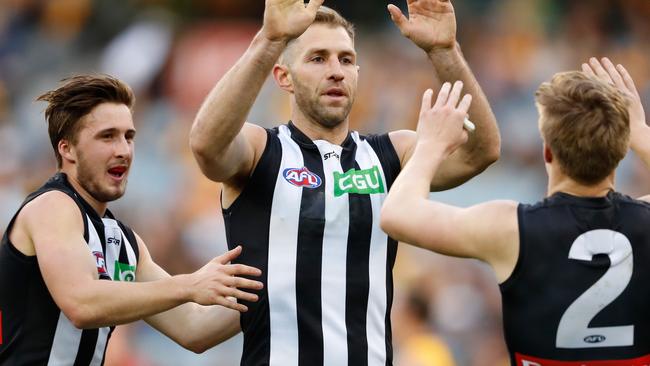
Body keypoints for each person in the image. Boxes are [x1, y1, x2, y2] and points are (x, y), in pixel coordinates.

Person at [189, 0, 500, 364]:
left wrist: (444, 51)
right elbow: (207, 146)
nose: (336, 71)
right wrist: (269, 39)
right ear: (283, 77)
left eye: (346, 59)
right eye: (318, 58)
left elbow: (481, 151)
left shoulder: (390, 155)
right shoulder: (263, 150)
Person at [380, 57, 650, 365]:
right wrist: (639, 131)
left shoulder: (510, 228)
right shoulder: (645, 219)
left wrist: (429, 145)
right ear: (620, 152)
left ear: (547, 152)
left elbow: (396, 213)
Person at [0, 74, 264, 364]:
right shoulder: (52, 206)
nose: (123, 150)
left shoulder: (124, 242)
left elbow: (194, 328)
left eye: (129, 137)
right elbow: (81, 304)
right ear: (67, 149)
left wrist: (275, 285)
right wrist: (189, 284)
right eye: (107, 136)